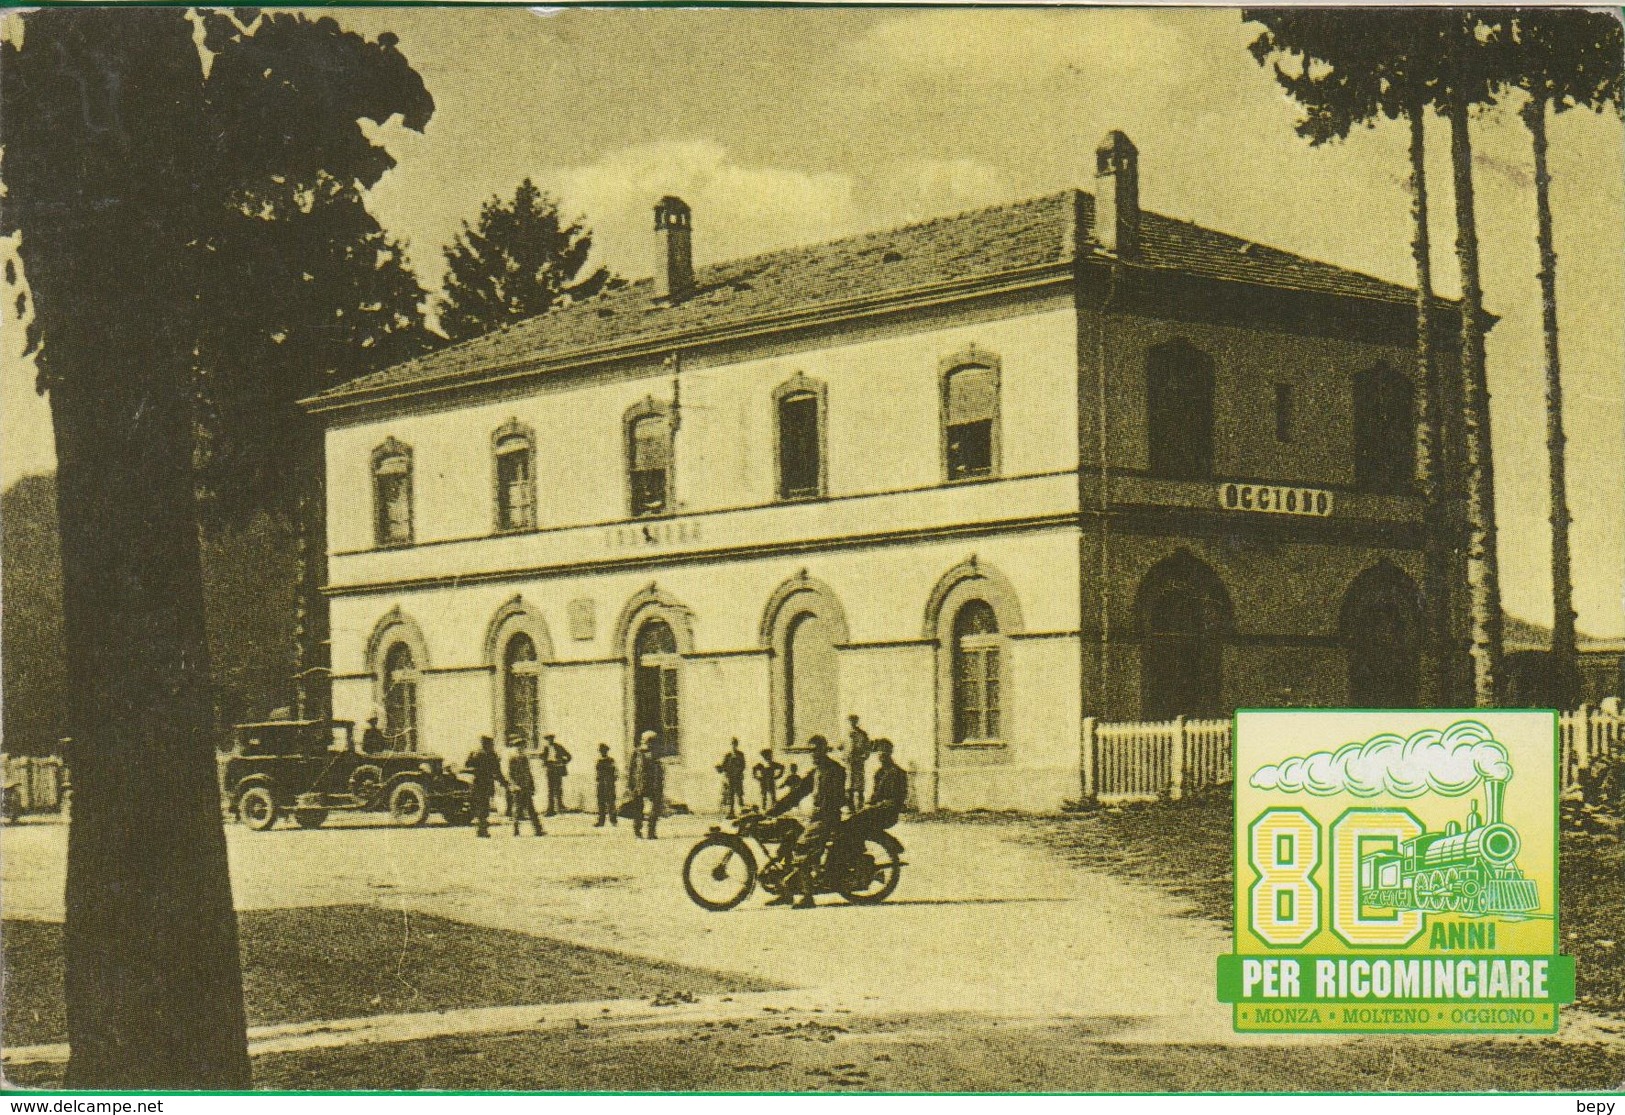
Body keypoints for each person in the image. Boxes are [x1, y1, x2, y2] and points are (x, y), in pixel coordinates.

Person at [764, 735, 846, 908]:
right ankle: (785, 893)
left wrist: (821, 813)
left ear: (825, 750)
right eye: (811, 751)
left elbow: (836, 798)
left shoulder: (835, 770)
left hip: (827, 819)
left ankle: (808, 897)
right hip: (816, 818)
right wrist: (775, 809)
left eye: (817, 750)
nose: (814, 754)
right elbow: (798, 793)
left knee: (801, 849)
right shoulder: (815, 772)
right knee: (788, 839)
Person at [846, 738, 907, 837]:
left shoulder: (898, 773)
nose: (881, 756)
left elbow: (898, 798)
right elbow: (875, 795)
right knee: (853, 820)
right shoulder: (879, 773)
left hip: (889, 812)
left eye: (884, 752)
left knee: (857, 821)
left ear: (890, 753)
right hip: (878, 809)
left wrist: (876, 805)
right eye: (879, 752)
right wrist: (869, 804)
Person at [464, 735, 507, 838]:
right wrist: (503, 782)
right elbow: (497, 771)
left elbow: (467, 765)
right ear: (488, 744)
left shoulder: (476, 754)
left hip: (478, 783)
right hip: (486, 784)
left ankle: (481, 829)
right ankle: (482, 830)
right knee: (484, 807)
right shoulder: (491, 755)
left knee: (480, 807)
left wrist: (471, 756)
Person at [506, 736, 544, 836]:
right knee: (517, 810)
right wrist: (514, 785)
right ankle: (516, 830)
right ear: (516, 747)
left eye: (522, 746)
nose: (521, 748)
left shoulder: (524, 758)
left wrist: (532, 785)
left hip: (526, 787)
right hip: (518, 788)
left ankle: (538, 830)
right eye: (519, 746)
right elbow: (510, 774)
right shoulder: (512, 759)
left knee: (531, 809)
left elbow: (529, 773)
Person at [632, 732, 665, 839]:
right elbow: (633, 769)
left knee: (640, 808)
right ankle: (648, 831)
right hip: (648, 784)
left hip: (641, 784)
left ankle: (640, 830)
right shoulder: (651, 754)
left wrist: (632, 785)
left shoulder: (638, 753)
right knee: (651, 808)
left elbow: (632, 770)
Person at [540, 734, 572, 816]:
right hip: (550, 770)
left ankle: (560, 806)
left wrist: (563, 762)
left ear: (553, 739)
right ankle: (550, 809)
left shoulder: (558, 747)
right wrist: (544, 761)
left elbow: (568, 756)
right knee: (550, 790)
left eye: (551, 739)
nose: (550, 740)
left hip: (557, 769)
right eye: (548, 739)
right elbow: (543, 757)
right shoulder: (545, 748)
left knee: (558, 788)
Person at [717, 739, 748, 818]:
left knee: (739, 794)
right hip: (730, 777)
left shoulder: (740, 754)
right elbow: (724, 765)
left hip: (738, 777)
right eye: (732, 744)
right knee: (731, 795)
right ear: (731, 745)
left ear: (737, 745)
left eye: (735, 744)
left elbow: (743, 765)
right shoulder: (728, 755)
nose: (734, 746)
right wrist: (720, 768)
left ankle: (743, 811)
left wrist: (738, 771)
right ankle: (731, 812)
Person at [846, 715, 872, 809]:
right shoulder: (847, 734)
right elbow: (843, 747)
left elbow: (867, 748)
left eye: (853, 721)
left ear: (856, 722)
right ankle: (850, 806)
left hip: (858, 762)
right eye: (850, 721)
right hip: (849, 763)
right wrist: (845, 757)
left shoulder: (862, 734)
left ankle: (860, 805)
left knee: (859, 784)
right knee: (849, 785)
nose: (852, 723)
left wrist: (863, 757)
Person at [594, 743, 618, 827]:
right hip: (601, 784)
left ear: (606, 751)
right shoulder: (599, 761)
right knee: (601, 803)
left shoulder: (611, 760)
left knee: (611, 803)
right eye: (601, 751)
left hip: (609, 784)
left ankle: (613, 820)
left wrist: (611, 780)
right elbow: (598, 773)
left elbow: (615, 772)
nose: (602, 752)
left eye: (604, 751)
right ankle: (601, 821)